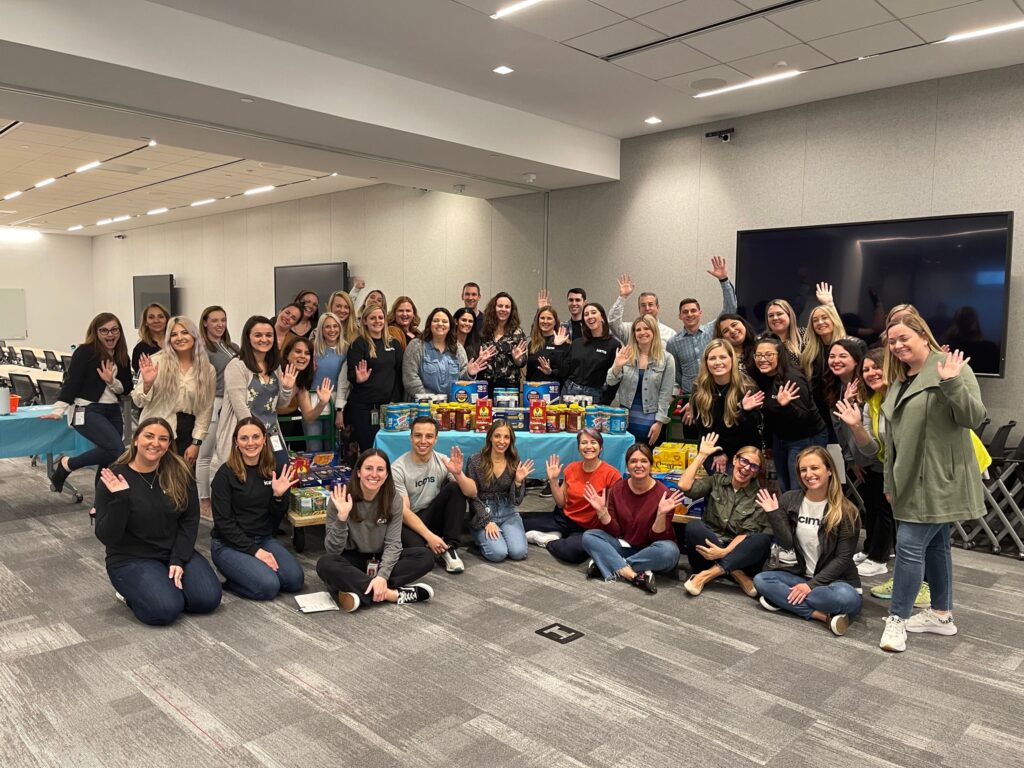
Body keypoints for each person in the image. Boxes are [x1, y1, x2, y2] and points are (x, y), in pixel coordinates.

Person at [878, 315, 985, 653]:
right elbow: (892, 441)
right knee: (937, 546)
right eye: (892, 341)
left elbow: (974, 418)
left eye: (904, 337)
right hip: (908, 480)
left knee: (909, 545)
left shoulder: (950, 366)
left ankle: (897, 619)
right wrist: (889, 479)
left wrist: (952, 383)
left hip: (940, 479)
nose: (897, 346)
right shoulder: (898, 381)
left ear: (924, 335)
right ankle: (941, 615)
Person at [94, 417, 222, 625]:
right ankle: (130, 594)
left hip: (173, 551)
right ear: (136, 440)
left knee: (207, 600)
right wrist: (121, 500)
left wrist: (178, 559)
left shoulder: (179, 471)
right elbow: (107, 536)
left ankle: (162, 584)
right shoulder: (115, 476)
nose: (156, 443)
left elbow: (190, 521)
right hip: (131, 557)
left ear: (169, 444)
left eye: (163, 439)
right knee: (165, 610)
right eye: (149, 436)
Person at [754, 446, 863, 637]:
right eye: (803, 470)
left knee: (846, 598)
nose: (808, 474)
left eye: (814, 468)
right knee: (761, 580)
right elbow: (787, 544)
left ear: (829, 470)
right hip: (802, 577)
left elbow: (843, 559)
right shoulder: (790, 499)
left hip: (837, 583)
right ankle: (823, 616)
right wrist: (774, 514)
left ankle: (785, 601)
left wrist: (810, 587)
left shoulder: (847, 511)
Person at [316, 449, 435, 611]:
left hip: (381, 559)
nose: (374, 474)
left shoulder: (394, 500)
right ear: (358, 472)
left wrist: (382, 576)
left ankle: (358, 589)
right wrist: (342, 518)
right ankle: (391, 594)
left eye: (380, 470)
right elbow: (332, 550)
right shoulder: (340, 498)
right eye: (368, 468)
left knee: (425, 556)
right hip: (352, 559)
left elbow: (393, 544)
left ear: (386, 475)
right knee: (325, 564)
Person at [210, 418, 304, 600]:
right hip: (228, 544)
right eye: (244, 438)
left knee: (294, 581)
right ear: (236, 442)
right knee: (268, 587)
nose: (250, 443)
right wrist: (255, 551)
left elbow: (276, 520)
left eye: (255, 437)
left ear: (264, 440)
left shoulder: (274, 470)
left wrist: (278, 497)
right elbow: (223, 523)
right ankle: (231, 580)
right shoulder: (225, 474)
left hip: (263, 538)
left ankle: (250, 572)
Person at [44, 313, 135, 496]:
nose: (110, 335)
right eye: (104, 331)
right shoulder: (85, 352)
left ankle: (100, 505)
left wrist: (111, 381)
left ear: (119, 332)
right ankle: (68, 464)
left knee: (109, 461)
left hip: (112, 411)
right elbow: (72, 382)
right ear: (96, 332)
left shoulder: (122, 355)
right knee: (117, 450)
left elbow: (126, 388)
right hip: (87, 409)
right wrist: (59, 409)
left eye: (114, 330)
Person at [675, 432, 770, 598]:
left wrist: (724, 553)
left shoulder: (760, 496)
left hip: (740, 555)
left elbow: (747, 534)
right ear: (735, 460)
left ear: (756, 472)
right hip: (708, 551)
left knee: (761, 540)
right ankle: (737, 574)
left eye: (753, 466)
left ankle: (705, 576)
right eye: (744, 461)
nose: (746, 468)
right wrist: (702, 455)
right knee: (694, 527)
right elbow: (684, 485)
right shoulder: (716, 480)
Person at [580, 443, 682, 593]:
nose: (638, 465)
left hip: (651, 551)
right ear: (627, 466)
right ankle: (634, 575)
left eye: (644, 461)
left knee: (670, 551)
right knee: (589, 536)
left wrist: (661, 514)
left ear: (651, 465)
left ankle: (609, 565)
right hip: (624, 547)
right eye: (633, 461)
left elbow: (657, 538)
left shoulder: (664, 494)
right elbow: (615, 532)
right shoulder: (618, 489)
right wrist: (603, 513)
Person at [833, 348, 897, 580]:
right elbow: (872, 448)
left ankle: (880, 558)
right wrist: (856, 425)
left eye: (876, 367)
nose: (871, 373)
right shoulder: (872, 401)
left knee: (885, 513)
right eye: (866, 369)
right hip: (880, 464)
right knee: (875, 508)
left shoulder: (900, 396)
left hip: (905, 468)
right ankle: (872, 550)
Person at [391, 417, 477, 573]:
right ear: (411, 437)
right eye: (418, 435)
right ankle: (433, 544)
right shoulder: (397, 468)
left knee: (456, 487)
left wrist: (458, 474)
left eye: (429, 436)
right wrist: (429, 536)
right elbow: (404, 513)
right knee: (422, 553)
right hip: (410, 521)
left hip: (433, 514)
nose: (423, 441)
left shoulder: (442, 460)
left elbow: (472, 492)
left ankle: (449, 547)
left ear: (436, 439)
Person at [523, 428, 621, 564]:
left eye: (593, 442)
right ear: (578, 447)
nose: (588, 447)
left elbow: (612, 514)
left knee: (573, 553)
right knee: (517, 521)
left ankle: (549, 540)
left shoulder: (612, 474)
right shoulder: (571, 468)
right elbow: (561, 503)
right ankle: (557, 532)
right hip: (563, 519)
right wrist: (553, 481)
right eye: (584, 443)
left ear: (601, 447)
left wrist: (601, 511)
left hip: (587, 528)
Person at [213, 316, 296, 475]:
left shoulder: (274, 366)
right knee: (250, 482)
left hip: (272, 434)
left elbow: (280, 406)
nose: (264, 339)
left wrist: (286, 388)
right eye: (258, 335)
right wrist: (255, 439)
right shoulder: (237, 366)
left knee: (283, 471)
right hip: (247, 438)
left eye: (268, 335)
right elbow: (240, 408)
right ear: (248, 337)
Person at [748, 336, 827, 492]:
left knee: (799, 488)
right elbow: (769, 415)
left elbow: (803, 418)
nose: (763, 359)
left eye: (769, 355)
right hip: (781, 438)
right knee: (784, 487)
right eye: (758, 355)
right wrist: (769, 444)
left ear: (779, 355)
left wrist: (785, 406)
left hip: (805, 438)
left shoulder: (792, 378)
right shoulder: (762, 378)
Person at [133, 316, 216, 461]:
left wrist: (196, 443)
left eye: (184, 332)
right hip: (157, 429)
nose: (179, 338)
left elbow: (205, 409)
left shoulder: (207, 369)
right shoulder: (156, 361)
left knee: (183, 480)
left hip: (187, 433)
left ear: (194, 336)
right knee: (155, 479)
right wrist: (147, 384)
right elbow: (139, 402)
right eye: (173, 334)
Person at [664, 257, 738, 394]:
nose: (689, 314)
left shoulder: (713, 329)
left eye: (693, 311)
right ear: (679, 316)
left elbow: (730, 309)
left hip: (717, 391)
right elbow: (676, 373)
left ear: (700, 313)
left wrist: (723, 280)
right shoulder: (673, 343)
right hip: (690, 395)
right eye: (685, 312)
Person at [687, 339, 762, 473]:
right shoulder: (699, 387)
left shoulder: (747, 386)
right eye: (712, 358)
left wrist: (744, 411)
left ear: (732, 359)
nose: (717, 362)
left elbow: (751, 429)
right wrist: (717, 452)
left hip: (741, 449)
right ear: (706, 362)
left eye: (722, 357)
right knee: (718, 488)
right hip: (712, 447)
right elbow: (702, 426)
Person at [465, 421, 533, 563]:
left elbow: (516, 501)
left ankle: (500, 536)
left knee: (518, 553)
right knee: (498, 554)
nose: (502, 441)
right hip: (483, 510)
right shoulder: (475, 460)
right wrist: (486, 521)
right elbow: (472, 496)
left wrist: (518, 482)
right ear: (490, 437)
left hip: (508, 510)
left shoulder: (514, 461)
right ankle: (479, 536)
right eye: (497, 436)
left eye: (506, 437)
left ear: (511, 440)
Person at [196, 305, 240, 518]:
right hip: (213, 404)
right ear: (205, 322)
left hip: (231, 404)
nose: (220, 324)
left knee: (225, 454)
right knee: (206, 455)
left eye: (223, 320)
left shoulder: (231, 347)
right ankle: (204, 501)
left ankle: (222, 498)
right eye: (214, 320)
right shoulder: (203, 349)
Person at [606, 315, 675, 446]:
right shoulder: (626, 354)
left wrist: (659, 423)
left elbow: (665, 394)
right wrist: (617, 366)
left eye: (646, 328)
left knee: (646, 460)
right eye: (638, 330)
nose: (642, 332)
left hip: (651, 421)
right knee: (626, 458)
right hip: (625, 420)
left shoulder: (667, 359)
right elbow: (610, 382)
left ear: (654, 331)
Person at [345, 303, 403, 451]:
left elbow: (400, 373)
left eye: (380, 318)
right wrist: (358, 379)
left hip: (388, 407)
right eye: (372, 318)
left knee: (388, 448)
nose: (377, 321)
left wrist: (394, 400)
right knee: (368, 448)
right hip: (363, 407)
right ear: (365, 321)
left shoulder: (394, 344)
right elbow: (351, 374)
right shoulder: (358, 345)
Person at [402, 307, 492, 398]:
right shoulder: (416, 345)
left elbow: (461, 381)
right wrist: (431, 399)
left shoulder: (458, 348)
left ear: (450, 326)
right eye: (436, 320)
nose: (440, 324)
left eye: (445, 321)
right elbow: (410, 379)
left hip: (450, 407)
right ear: (429, 324)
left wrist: (468, 373)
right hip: (422, 407)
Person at [276, 336, 334, 453]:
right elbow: (277, 407)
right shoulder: (276, 372)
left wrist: (322, 403)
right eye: (298, 351)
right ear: (287, 354)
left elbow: (309, 417)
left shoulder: (301, 380)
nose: (303, 356)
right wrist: (288, 388)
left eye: (307, 353)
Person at [554, 302, 620, 402]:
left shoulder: (613, 345)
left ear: (602, 317)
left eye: (593, 312)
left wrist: (606, 401)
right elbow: (564, 371)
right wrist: (558, 347)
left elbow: (614, 379)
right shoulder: (577, 343)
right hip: (569, 393)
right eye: (586, 314)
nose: (590, 316)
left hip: (594, 396)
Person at [308, 312, 349, 448]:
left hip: (336, 403)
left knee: (332, 447)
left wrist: (340, 410)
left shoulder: (347, 349)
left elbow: (345, 382)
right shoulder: (312, 348)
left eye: (335, 326)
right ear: (321, 329)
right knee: (314, 446)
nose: (332, 330)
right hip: (313, 402)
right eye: (327, 327)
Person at [479, 292, 528, 394]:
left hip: (509, 385)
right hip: (486, 383)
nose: (503, 309)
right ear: (494, 308)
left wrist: (517, 359)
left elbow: (522, 362)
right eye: (500, 306)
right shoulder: (485, 331)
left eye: (507, 307)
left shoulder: (517, 333)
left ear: (511, 310)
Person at [606, 274, 676, 343]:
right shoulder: (630, 329)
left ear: (657, 307)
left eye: (650, 304)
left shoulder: (670, 334)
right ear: (639, 308)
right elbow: (612, 321)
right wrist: (622, 297)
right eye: (643, 305)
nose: (647, 308)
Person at [525, 304, 563, 383]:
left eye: (549, 318)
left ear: (555, 321)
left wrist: (551, 372)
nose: (545, 321)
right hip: (533, 390)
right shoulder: (533, 343)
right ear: (538, 320)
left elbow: (565, 371)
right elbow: (529, 371)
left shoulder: (562, 342)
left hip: (553, 390)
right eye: (542, 318)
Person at [131, 302, 169, 374]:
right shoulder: (140, 349)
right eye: (151, 317)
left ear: (166, 320)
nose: (156, 320)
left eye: (160, 316)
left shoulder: (175, 343)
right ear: (145, 322)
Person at [763, 299, 803, 367]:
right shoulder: (762, 341)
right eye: (771, 315)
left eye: (779, 314)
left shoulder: (803, 334)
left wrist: (827, 303)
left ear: (789, 315)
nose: (775, 318)